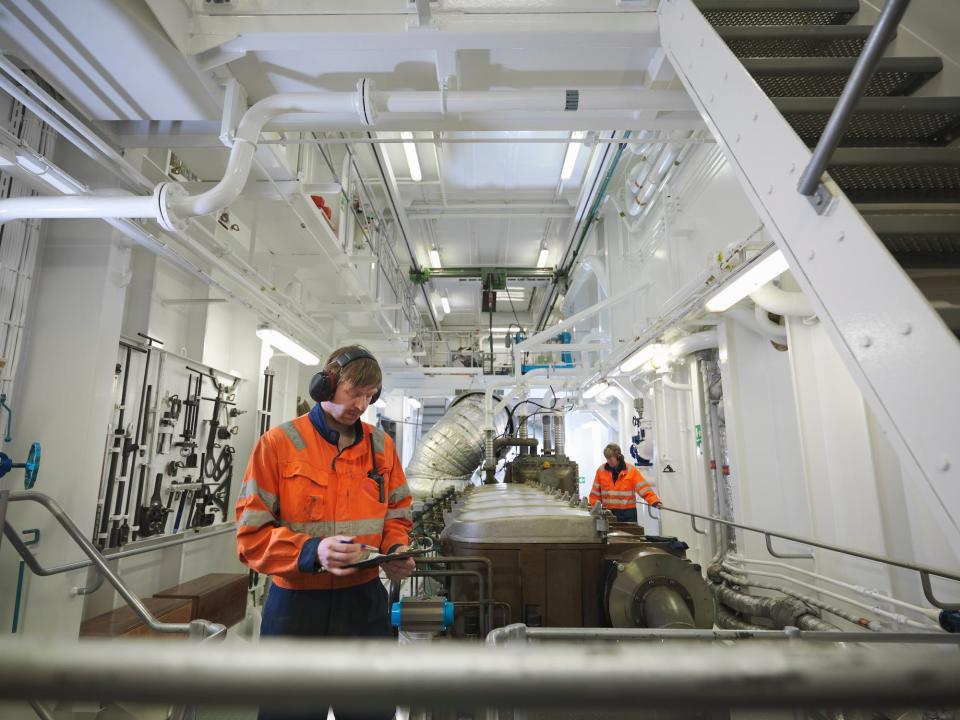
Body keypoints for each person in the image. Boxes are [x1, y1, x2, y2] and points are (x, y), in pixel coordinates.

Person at [236, 345, 414, 720]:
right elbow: (251, 536)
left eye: (369, 396)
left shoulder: (382, 448)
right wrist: (312, 551)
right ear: (327, 385)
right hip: (296, 608)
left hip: (364, 606)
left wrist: (397, 547)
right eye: (354, 393)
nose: (361, 405)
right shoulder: (278, 445)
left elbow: (397, 514)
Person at [588, 442, 662, 523]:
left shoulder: (631, 470)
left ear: (618, 456)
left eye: (611, 459)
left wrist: (654, 501)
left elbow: (644, 489)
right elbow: (595, 493)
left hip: (628, 514)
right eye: (607, 459)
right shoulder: (601, 471)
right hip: (608, 513)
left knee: (630, 535)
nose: (608, 462)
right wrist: (594, 509)